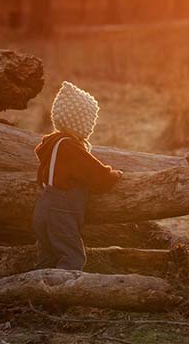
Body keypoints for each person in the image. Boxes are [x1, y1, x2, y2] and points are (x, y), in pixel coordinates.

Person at [32, 81, 122, 270]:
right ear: (79, 120)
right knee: (72, 258)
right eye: (90, 120)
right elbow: (98, 176)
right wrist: (114, 174)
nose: (91, 126)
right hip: (61, 213)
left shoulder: (53, 144)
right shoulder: (69, 148)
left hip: (44, 208)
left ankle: (40, 293)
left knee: (47, 258)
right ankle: (62, 295)